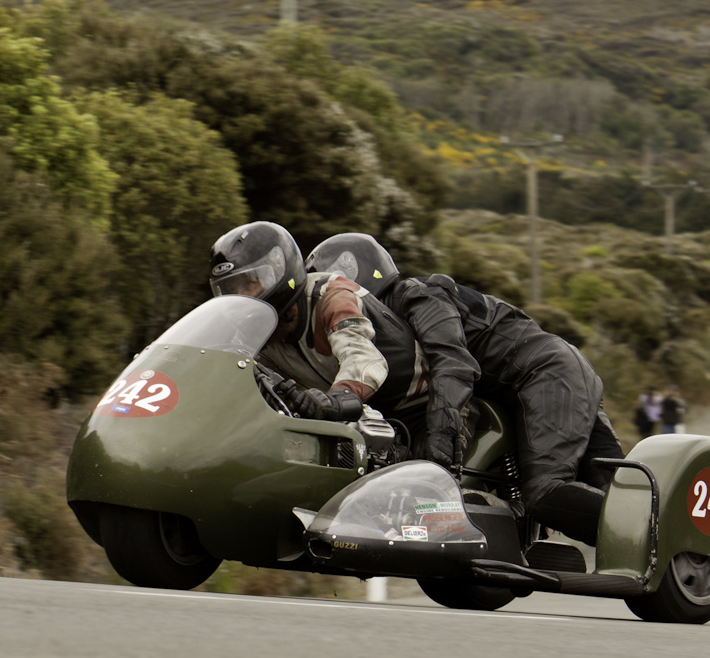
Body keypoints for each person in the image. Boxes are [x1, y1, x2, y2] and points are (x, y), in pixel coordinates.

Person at [305, 232, 624, 548]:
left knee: (546, 490)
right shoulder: (383, 331)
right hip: (516, 391)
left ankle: (653, 535)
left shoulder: (417, 296)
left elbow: (453, 364)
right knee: (617, 491)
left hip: (546, 372)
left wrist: (440, 451)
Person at [208, 221, 431, 427]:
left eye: (249, 285)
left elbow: (364, 359)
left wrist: (336, 399)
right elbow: (228, 368)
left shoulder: (330, 295)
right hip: (370, 417)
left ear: (278, 271)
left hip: (421, 407)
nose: (241, 297)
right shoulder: (262, 333)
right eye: (230, 290)